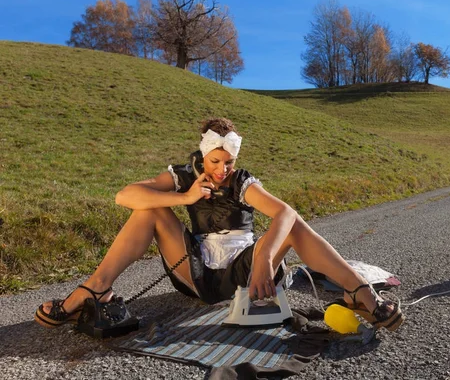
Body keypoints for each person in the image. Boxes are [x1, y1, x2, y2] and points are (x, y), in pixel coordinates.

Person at [35, 117, 404, 331]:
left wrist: (264, 259)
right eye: (215, 161)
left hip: (245, 270)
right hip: (196, 271)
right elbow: (125, 196)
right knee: (148, 210)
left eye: (228, 162)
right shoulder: (184, 175)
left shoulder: (243, 181)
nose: (221, 170)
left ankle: (358, 293)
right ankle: (97, 289)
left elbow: (286, 212)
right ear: (202, 153)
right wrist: (185, 198)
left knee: (291, 224)